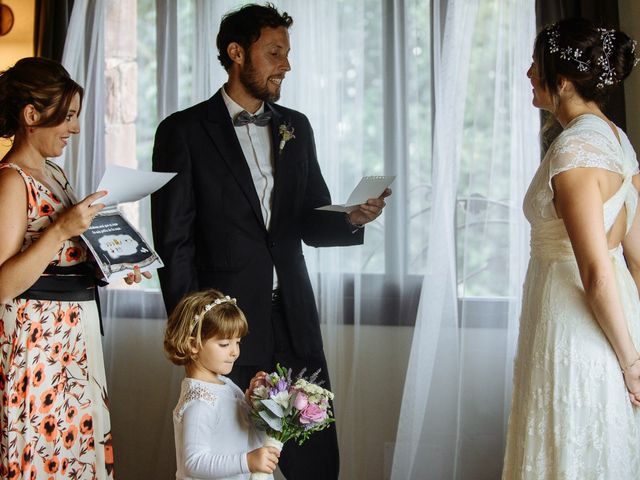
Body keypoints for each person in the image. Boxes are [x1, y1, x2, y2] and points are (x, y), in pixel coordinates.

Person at [151, 3, 390, 478]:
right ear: (236, 53)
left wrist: (353, 218)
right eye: (275, 52)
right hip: (228, 329)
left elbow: (309, 220)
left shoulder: (295, 127)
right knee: (235, 462)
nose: (286, 64)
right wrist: (196, 333)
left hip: (295, 318)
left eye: (287, 52)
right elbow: (174, 242)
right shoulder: (183, 131)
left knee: (315, 460)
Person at [502, 18, 640, 478]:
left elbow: (597, 272)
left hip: (577, 324)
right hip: (610, 317)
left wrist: (633, 362)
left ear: (560, 83)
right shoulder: (617, 141)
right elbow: (636, 257)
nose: (527, 74)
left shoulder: (574, 151)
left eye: (535, 66)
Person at [0, 57, 149, 479]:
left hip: (74, 342)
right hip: (37, 349)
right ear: (32, 116)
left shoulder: (55, 173)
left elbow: (61, 263)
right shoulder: (11, 181)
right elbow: (2, 285)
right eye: (67, 117)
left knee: (75, 459)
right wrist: (62, 229)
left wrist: (115, 264)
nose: (76, 129)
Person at [164, 289, 279, 480]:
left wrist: (251, 403)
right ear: (194, 345)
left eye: (238, 342)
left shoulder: (224, 383)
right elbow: (193, 463)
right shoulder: (200, 403)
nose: (234, 352)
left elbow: (238, 432)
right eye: (225, 344)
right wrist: (247, 461)